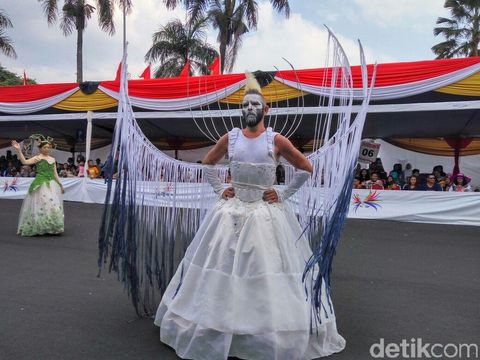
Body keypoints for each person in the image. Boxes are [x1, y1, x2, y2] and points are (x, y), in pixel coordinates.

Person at [154, 73, 346, 359]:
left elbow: (306, 167)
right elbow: (207, 164)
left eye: (255, 105)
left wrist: (282, 194)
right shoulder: (230, 138)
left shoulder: (276, 140)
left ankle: (260, 328)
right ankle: (218, 322)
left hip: (265, 214)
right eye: (245, 105)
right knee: (222, 263)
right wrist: (221, 189)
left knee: (261, 265)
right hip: (230, 212)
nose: (249, 110)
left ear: (266, 110)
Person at [11, 136, 64, 236]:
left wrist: (60, 185)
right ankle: (38, 225)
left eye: (48, 147)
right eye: (45, 147)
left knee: (52, 205)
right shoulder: (38, 158)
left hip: (51, 184)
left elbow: (55, 173)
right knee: (40, 205)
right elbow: (25, 162)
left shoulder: (52, 159)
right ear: (40, 148)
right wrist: (18, 151)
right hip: (40, 184)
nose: (47, 149)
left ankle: (52, 225)